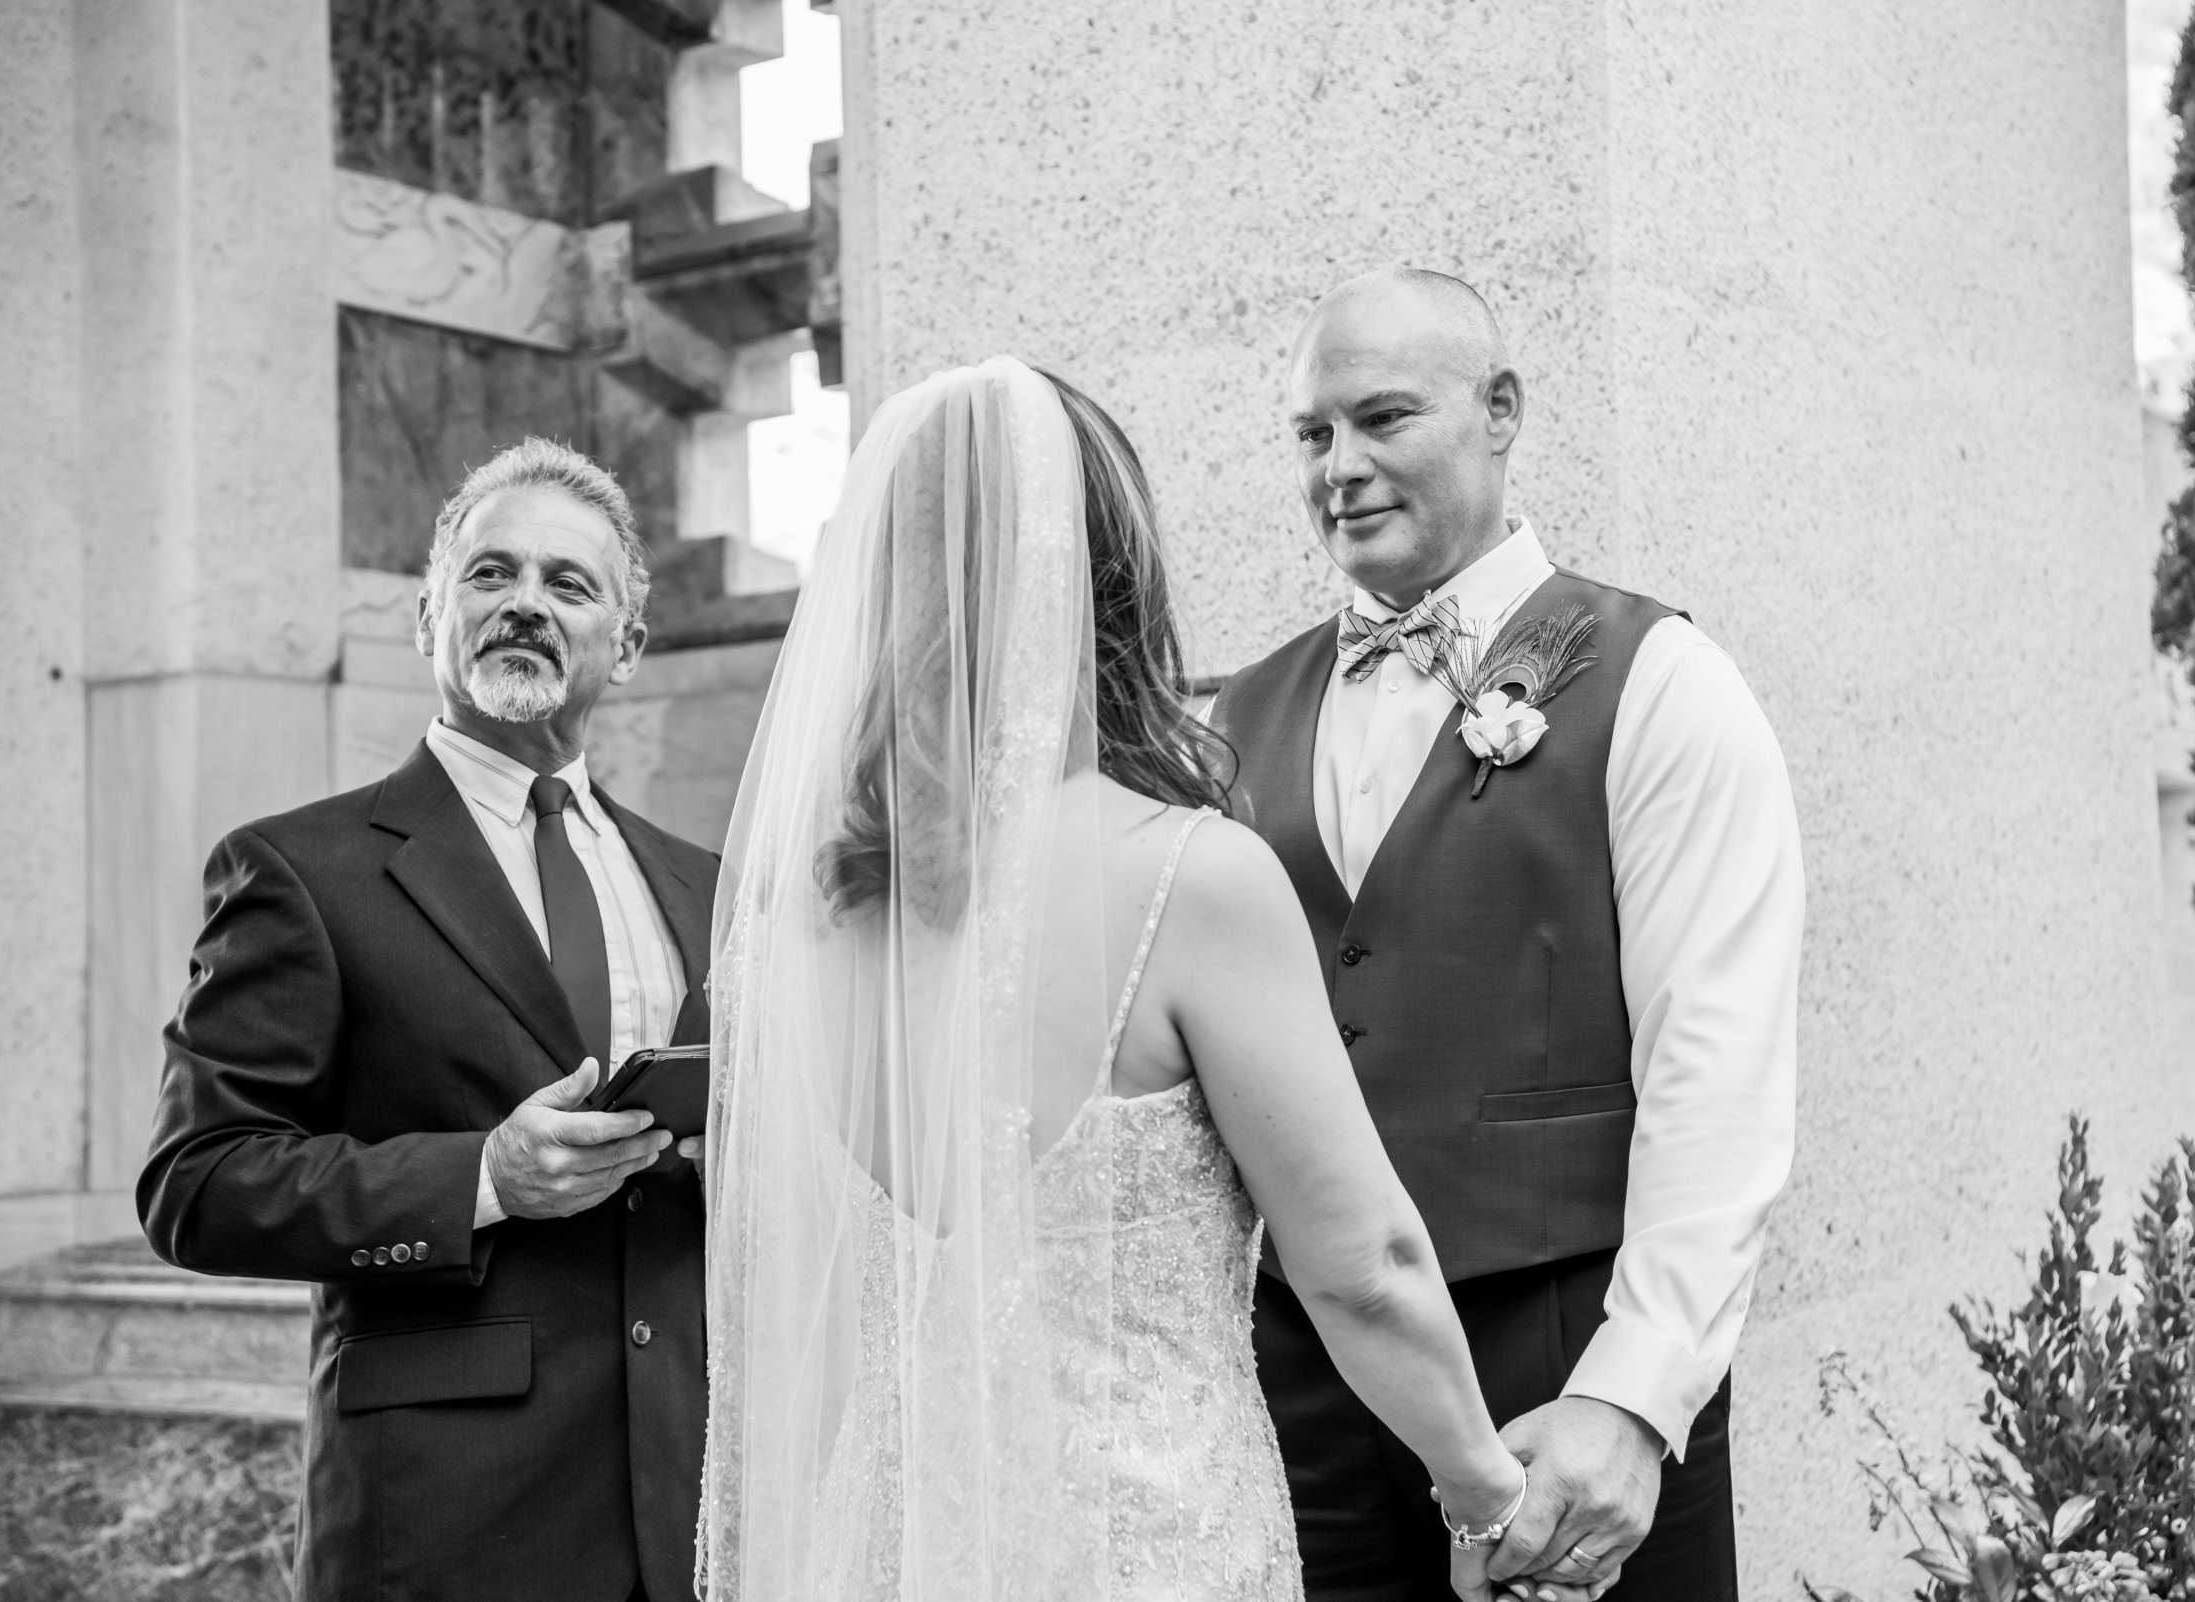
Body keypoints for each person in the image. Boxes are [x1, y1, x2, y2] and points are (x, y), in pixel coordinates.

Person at [698, 356, 1528, 1602]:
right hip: (1140, 1546)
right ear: (1111, 580)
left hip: (876, 1549)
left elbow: (786, 1321)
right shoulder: (1191, 880)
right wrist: (1484, 1497)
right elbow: (1364, 1269)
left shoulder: (793, 920)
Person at [1214, 268, 1803, 1602]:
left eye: (1381, 419)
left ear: (1499, 410)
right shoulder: (1237, 717)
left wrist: (1637, 1395)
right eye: (1311, 436)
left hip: (1565, 1356)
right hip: (1306, 1385)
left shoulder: (1662, 682)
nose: (1341, 468)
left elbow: (1719, 1073)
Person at [137, 439, 717, 1602]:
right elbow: (194, 1183)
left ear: (631, 646)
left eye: (568, 584)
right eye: (491, 574)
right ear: (428, 620)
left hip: (694, 1494)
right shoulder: (299, 870)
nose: (525, 606)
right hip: (446, 1516)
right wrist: (485, 1177)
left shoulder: (707, 884)